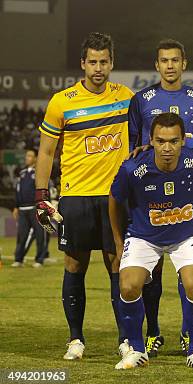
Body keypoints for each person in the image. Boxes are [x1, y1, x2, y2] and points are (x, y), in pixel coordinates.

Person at [35, 32, 133, 360]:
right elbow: (46, 152)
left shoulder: (126, 97)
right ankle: (75, 340)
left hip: (113, 197)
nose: (98, 68)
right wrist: (41, 195)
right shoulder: (62, 101)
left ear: (112, 63)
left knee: (117, 264)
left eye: (104, 61)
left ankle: (126, 339)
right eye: (92, 61)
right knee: (75, 264)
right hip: (75, 196)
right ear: (82, 63)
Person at [110, 113, 193, 370]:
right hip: (143, 236)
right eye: (161, 141)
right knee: (128, 286)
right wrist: (117, 241)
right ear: (151, 141)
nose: (167, 148)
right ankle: (135, 348)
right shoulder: (133, 168)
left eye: (173, 141)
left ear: (183, 141)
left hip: (186, 235)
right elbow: (113, 200)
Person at [128, 38, 193, 357]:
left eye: (176, 60)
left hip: (188, 191)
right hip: (150, 194)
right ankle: (153, 332)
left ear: (184, 63)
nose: (170, 65)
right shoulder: (142, 99)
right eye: (164, 60)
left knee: (186, 263)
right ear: (157, 65)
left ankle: (190, 334)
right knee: (151, 270)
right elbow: (135, 145)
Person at [12, 149, 47, 268]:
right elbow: (17, 191)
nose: (27, 158)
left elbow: (42, 190)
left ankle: (39, 259)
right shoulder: (21, 174)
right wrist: (16, 207)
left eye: (30, 156)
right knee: (21, 235)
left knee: (39, 235)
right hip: (22, 209)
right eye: (26, 156)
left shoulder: (39, 173)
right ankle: (18, 259)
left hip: (34, 208)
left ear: (35, 158)